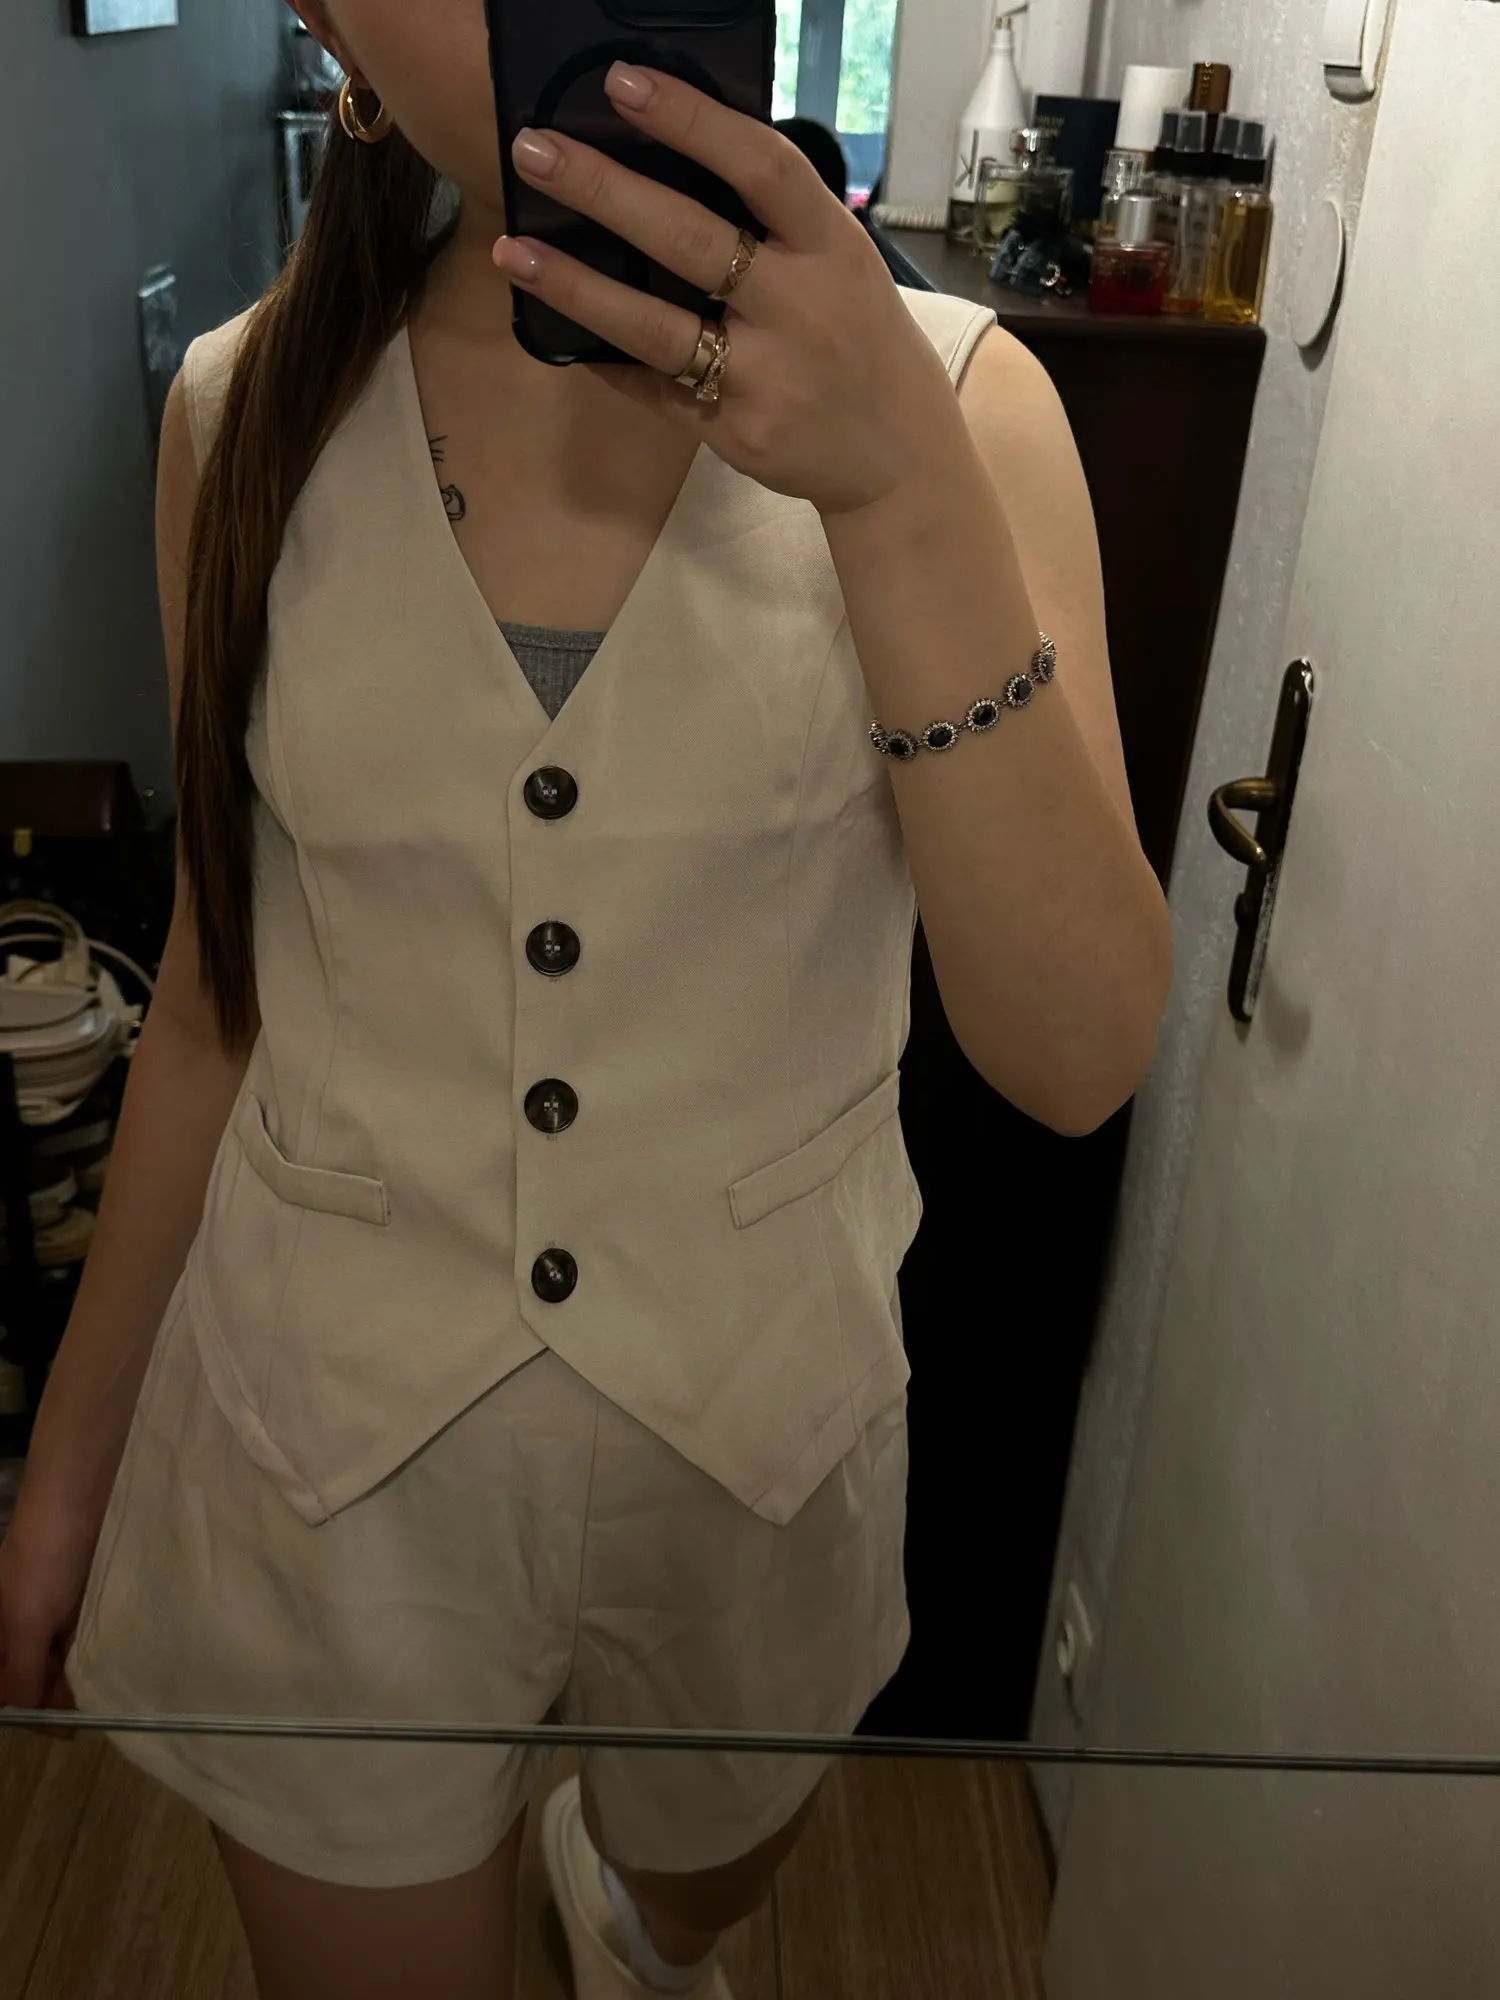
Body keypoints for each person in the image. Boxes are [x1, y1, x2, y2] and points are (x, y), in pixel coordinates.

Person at [0, 5, 1173, 1997]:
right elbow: (211, 996)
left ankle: (628, 1913)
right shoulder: (236, 413)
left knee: (688, 1895)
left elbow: (1075, 1061)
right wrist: (69, 1468)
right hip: (327, 1450)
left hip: (761, 1441)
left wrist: (897, 491)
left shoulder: (968, 409)